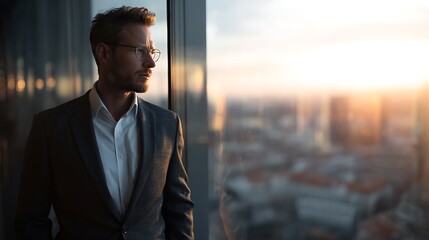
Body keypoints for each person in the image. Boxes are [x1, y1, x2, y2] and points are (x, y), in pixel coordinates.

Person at [15, 6, 194, 240]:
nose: (151, 63)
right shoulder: (51, 128)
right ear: (104, 53)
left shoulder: (167, 125)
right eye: (140, 51)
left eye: (152, 51)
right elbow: (31, 220)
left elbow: (179, 210)